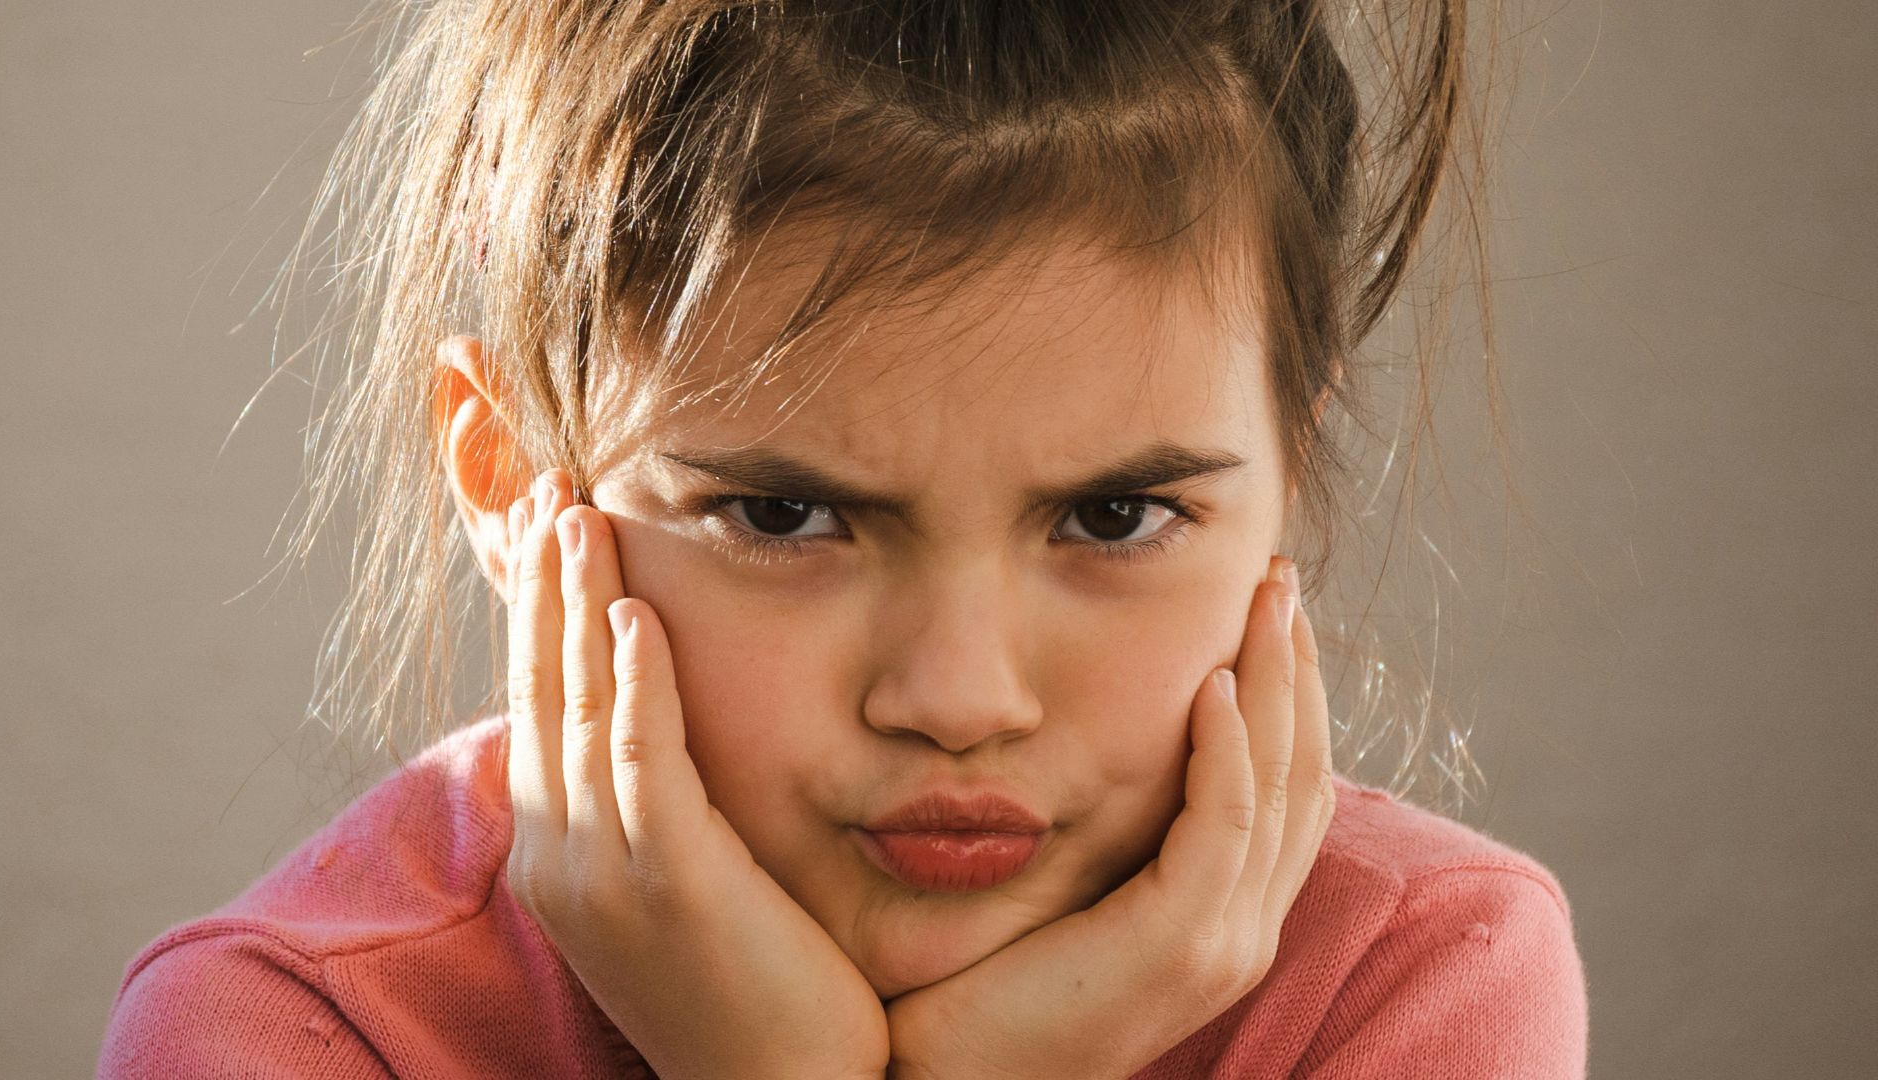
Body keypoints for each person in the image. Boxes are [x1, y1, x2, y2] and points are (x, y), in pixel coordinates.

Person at [97, 0, 1589, 1076]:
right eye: (782, 515)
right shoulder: (282, 1039)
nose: (958, 697)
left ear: (1293, 464)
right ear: (510, 481)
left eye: (1115, 516)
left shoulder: (1416, 983)